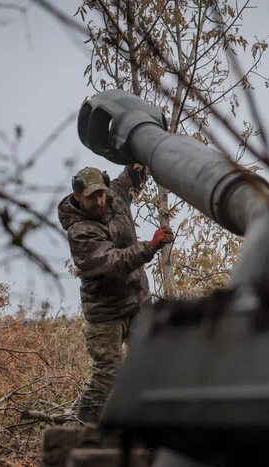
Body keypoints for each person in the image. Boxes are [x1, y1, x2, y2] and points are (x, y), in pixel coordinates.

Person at [57, 164, 174, 424]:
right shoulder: (79, 232)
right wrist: (150, 246)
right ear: (77, 195)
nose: (99, 201)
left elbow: (136, 172)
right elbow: (113, 263)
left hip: (138, 303)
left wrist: (145, 142)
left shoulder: (116, 193)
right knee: (108, 373)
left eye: (100, 193)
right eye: (91, 197)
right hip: (106, 314)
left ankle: (148, 423)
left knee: (151, 361)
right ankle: (84, 426)